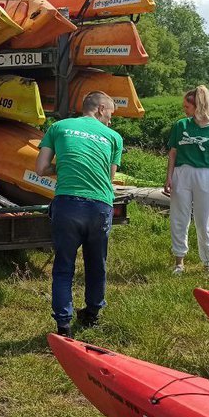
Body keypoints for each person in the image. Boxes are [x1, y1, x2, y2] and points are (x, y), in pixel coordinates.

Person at [35, 92, 123, 337]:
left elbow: (40, 168)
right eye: (111, 114)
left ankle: (63, 325)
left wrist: (64, 164)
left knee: (64, 265)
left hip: (67, 204)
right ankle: (92, 313)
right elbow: (109, 177)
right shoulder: (114, 137)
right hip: (99, 205)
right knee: (96, 263)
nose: (111, 120)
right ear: (101, 108)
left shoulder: (58, 127)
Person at [162, 86, 209, 277]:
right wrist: (169, 177)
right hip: (182, 173)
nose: (184, 109)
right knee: (179, 217)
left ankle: (208, 263)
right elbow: (173, 153)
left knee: (205, 220)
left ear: (199, 106)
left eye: (187, 106)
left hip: (206, 175)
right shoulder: (181, 125)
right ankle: (179, 262)